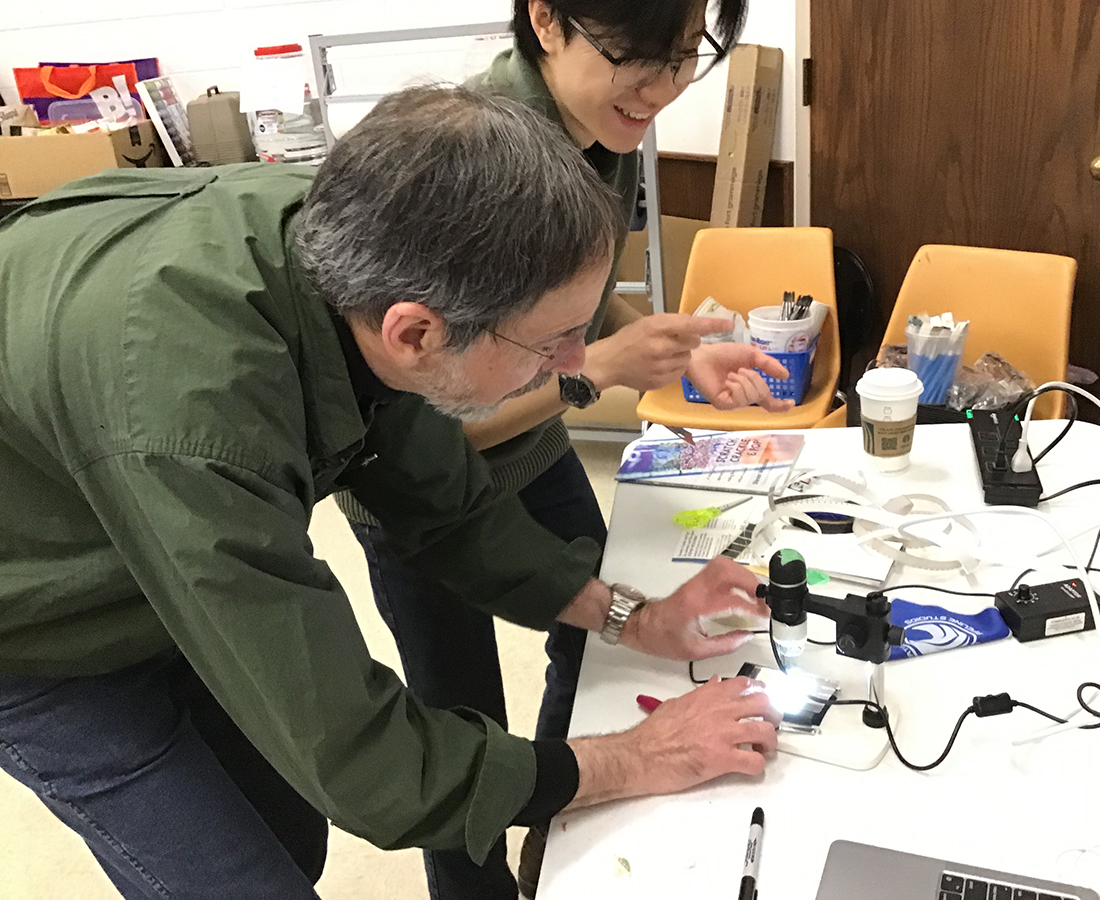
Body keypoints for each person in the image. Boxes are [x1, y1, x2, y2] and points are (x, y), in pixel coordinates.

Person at [0, 86, 780, 899]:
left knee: (284, 829)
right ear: (417, 332)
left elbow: (446, 507)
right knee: (239, 881)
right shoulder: (193, 416)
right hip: (36, 626)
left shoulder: (356, 259)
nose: (579, 364)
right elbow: (365, 763)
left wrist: (632, 616)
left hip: (127, 512)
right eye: (553, 341)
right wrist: (633, 758)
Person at [333, 4, 784, 894]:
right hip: (420, 488)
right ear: (546, 18)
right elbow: (427, 427)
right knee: (457, 722)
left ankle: (563, 828)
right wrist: (596, 371)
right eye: (639, 60)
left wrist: (672, 348)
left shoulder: (598, 133)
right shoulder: (473, 166)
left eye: (686, 59)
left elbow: (566, 307)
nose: (663, 88)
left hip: (527, 457)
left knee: (603, 627)